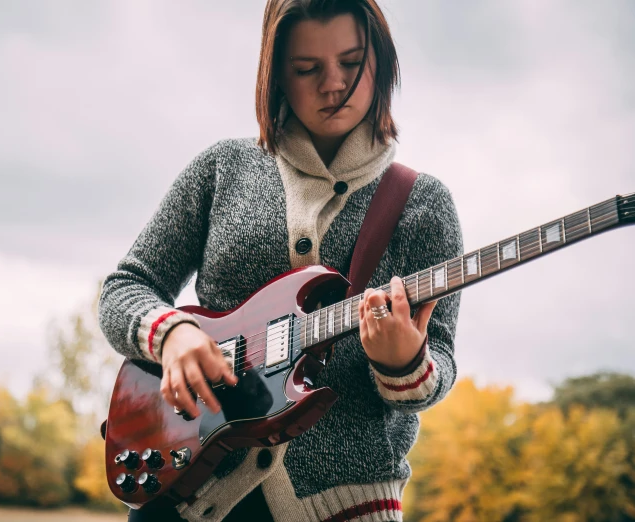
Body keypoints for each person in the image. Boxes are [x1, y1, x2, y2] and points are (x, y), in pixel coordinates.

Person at [98, 0, 463, 520]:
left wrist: (402, 362)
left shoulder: (423, 203)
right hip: (182, 493)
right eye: (306, 69)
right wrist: (172, 332)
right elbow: (125, 287)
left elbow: (440, 366)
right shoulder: (221, 168)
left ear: (380, 62)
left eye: (352, 62)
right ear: (275, 77)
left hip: (344, 510)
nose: (332, 83)